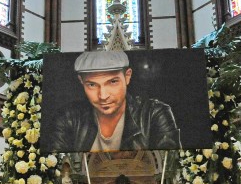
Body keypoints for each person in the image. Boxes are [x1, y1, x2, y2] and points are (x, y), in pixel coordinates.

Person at [49, 51, 181, 152]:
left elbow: (169, 165)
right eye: (92, 85)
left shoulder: (153, 114)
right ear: (81, 81)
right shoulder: (68, 118)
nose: (103, 96)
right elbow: (57, 167)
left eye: (112, 82)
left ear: (127, 77)